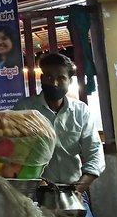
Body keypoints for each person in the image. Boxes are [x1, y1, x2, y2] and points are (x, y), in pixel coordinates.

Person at [13, 53, 104, 217]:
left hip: (73, 193)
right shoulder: (24, 109)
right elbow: (13, 151)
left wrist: (79, 188)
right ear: (41, 78)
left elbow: (95, 154)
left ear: (69, 81)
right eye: (48, 76)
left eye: (61, 78)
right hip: (33, 196)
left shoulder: (81, 112)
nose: (54, 83)